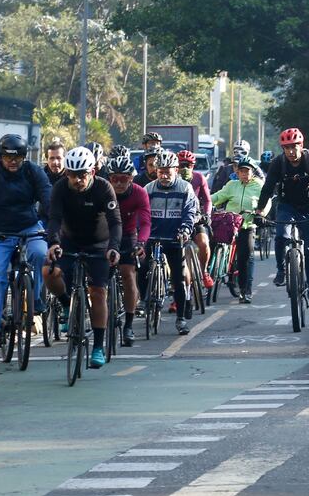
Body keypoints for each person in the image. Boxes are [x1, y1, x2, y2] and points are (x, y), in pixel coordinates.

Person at [45, 146, 122, 369]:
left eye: (82, 175)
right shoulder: (60, 188)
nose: (77, 180)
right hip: (69, 242)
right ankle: (67, 305)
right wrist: (54, 243)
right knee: (48, 272)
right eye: (71, 175)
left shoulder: (103, 188)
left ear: (92, 172)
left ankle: (98, 345)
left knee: (98, 292)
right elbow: (54, 219)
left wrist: (114, 248)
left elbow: (116, 222)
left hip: (99, 244)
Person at [0, 133, 52, 338]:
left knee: (40, 254)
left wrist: (55, 223)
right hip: (0, 232)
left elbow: (47, 198)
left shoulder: (33, 171)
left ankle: (36, 299)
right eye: (8, 157)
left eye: (17, 157)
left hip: (29, 227)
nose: (12, 161)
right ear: (0, 156)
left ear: (24, 157)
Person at [256, 128, 309, 309]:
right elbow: (267, 189)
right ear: (283, 149)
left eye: (294, 147)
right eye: (286, 147)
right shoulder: (278, 163)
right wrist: (259, 212)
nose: (291, 151)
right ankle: (281, 269)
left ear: (301, 145)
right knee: (282, 235)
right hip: (287, 206)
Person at [145, 150, 198, 334]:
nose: (165, 175)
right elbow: (142, 215)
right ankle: (146, 301)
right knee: (141, 267)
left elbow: (190, 212)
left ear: (176, 170)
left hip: (175, 238)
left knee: (178, 278)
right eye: (161, 171)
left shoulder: (185, 188)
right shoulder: (149, 189)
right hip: (153, 237)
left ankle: (181, 318)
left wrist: (185, 230)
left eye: (168, 171)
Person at [106, 153, 150, 346]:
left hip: (128, 235)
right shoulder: (103, 190)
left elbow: (146, 223)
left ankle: (129, 325)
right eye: (114, 179)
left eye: (124, 179)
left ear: (131, 178)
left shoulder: (140, 193)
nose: (119, 183)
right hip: (104, 234)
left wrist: (141, 243)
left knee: (128, 274)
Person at [211, 156, 262, 303]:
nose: (244, 174)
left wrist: (261, 213)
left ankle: (245, 291)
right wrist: (203, 201)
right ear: (237, 172)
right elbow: (218, 196)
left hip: (247, 225)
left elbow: (266, 202)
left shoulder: (258, 185)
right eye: (241, 171)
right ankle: (210, 275)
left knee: (245, 257)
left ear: (252, 172)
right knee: (212, 241)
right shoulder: (232, 184)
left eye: (247, 171)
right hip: (229, 225)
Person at [177, 149, 212, 270]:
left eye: (189, 165)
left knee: (204, 244)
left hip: (195, 217)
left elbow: (207, 200)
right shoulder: (172, 179)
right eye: (182, 165)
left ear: (193, 166)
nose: (185, 168)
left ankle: (204, 271)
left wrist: (207, 215)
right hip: (176, 216)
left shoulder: (199, 178)